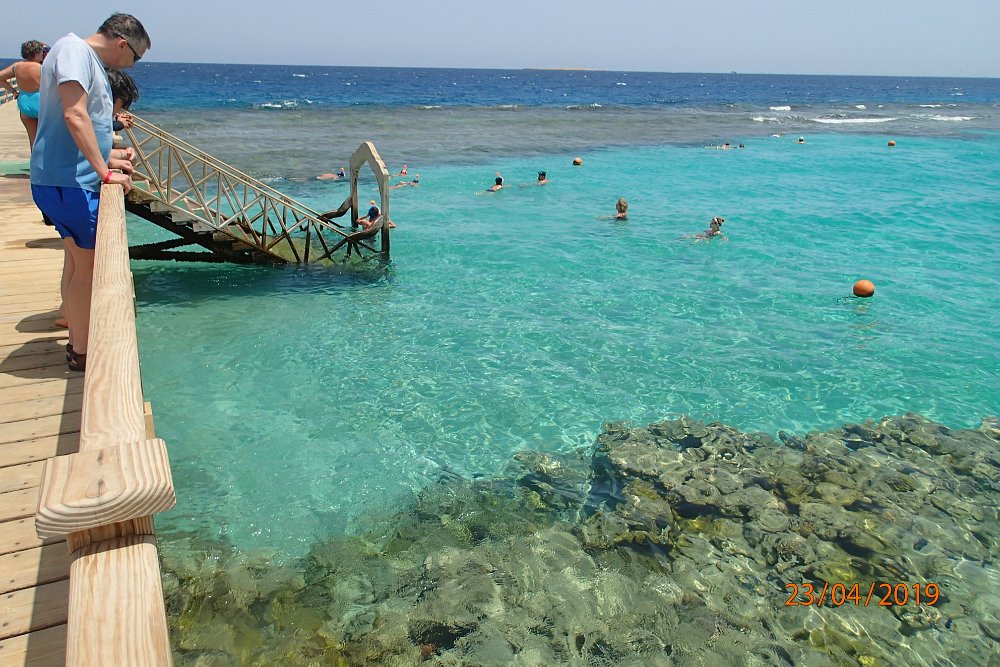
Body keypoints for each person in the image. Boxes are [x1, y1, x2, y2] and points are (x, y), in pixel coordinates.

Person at [30, 13, 150, 372]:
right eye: (136, 56)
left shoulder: (83, 57)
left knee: (77, 263)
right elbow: (74, 115)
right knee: (90, 269)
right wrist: (105, 172)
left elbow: (78, 124)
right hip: (71, 183)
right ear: (122, 44)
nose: (133, 65)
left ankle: (76, 339)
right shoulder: (74, 51)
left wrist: (109, 156)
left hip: (64, 178)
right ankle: (82, 352)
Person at [0, 40, 50, 148]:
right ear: (36, 53)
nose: (42, 55)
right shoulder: (43, 68)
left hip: (24, 103)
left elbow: (1, 77)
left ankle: (34, 159)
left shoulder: (16, 66)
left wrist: (13, 92)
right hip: (41, 102)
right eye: (41, 52)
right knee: (47, 138)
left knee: (33, 140)